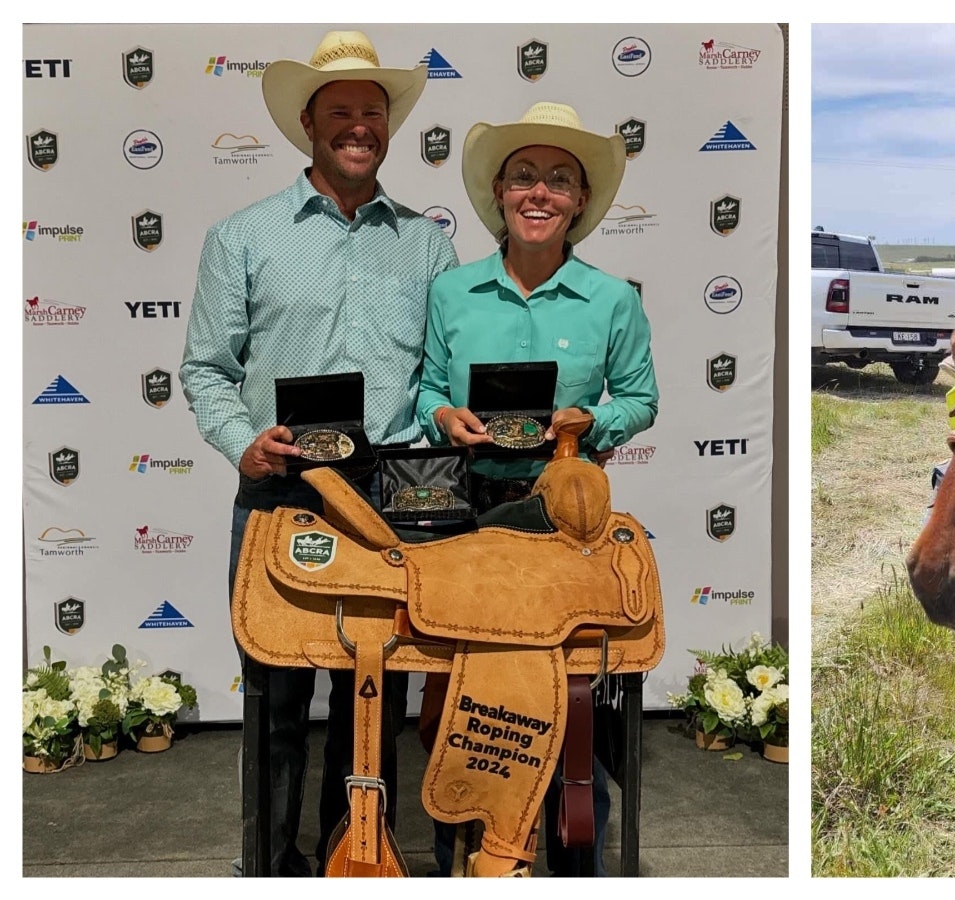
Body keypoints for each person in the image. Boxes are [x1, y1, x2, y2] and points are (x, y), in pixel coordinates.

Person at [179, 30, 459, 876]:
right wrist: (242, 441)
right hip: (279, 493)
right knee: (273, 698)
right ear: (308, 121)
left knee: (372, 697)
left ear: (389, 126)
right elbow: (204, 369)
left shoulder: (428, 244)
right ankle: (266, 871)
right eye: (340, 111)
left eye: (372, 112)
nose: (357, 127)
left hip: (393, 500)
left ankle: (357, 860)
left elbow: (440, 374)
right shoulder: (243, 236)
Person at [415, 101, 659, 877]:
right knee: (458, 701)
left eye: (559, 179)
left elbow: (642, 397)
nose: (540, 192)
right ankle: (460, 846)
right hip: (468, 509)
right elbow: (424, 390)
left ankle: (568, 857)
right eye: (524, 176)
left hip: (567, 521)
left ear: (581, 200)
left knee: (571, 700)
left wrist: (594, 421)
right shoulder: (451, 294)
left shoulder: (614, 299)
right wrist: (443, 415)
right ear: (499, 191)